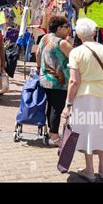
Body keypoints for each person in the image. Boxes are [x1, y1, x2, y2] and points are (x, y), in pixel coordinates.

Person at [62, 18, 103, 182]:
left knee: (86, 131)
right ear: (94, 33)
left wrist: (68, 104)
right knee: (100, 130)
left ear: (79, 34)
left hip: (83, 97)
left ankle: (90, 169)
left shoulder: (76, 52)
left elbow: (74, 81)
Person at [36, 16, 73, 147]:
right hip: (59, 81)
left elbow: (38, 55)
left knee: (50, 107)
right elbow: (74, 57)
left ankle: (52, 133)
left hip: (45, 78)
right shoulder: (61, 43)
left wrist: (39, 69)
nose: (67, 29)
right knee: (56, 108)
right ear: (59, 28)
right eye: (65, 27)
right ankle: (54, 136)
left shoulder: (44, 38)